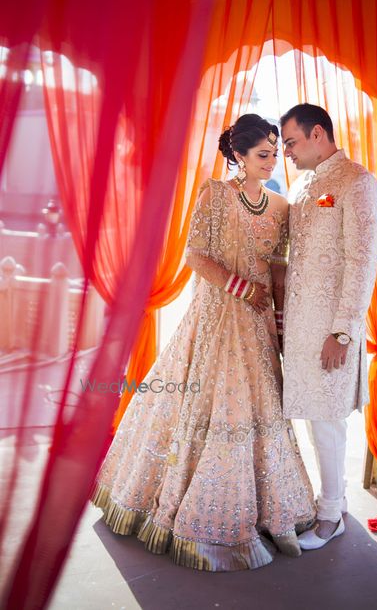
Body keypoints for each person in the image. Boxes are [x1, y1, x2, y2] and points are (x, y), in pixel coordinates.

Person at [91, 113, 315, 571]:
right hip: (215, 319)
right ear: (238, 155)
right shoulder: (215, 194)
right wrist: (242, 289)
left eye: (276, 152)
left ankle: (273, 514)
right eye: (263, 154)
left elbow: (277, 263)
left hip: (255, 328)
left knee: (259, 411)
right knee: (211, 407)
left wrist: (278, 319)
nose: (273, 161)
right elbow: (195, 256)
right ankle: (189, 514)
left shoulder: (280, 207)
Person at [280, 103, 377, 550]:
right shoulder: (307, 185)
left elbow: (362, 262)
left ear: (317, 133)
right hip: (300, 328)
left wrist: (343, 331)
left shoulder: (356, 182)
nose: (286, 153)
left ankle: (330, 517)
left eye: (291, 142)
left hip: (330, 330)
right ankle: (333, 501)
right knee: (313, 418)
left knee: (327, 422)